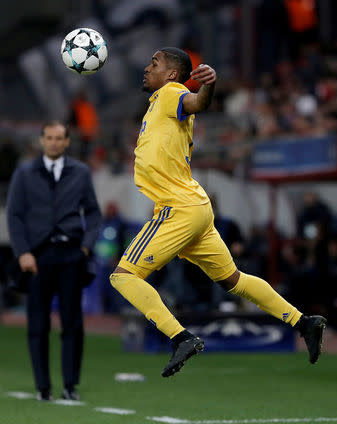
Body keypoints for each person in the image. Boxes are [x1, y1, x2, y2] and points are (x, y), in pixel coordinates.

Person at [109, 47, 326, 378]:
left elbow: (197, 102)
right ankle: (303, 322)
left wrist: (207, 86)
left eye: (154, 63)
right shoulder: (159, 103)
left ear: (170, 74)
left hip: (177, 207)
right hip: (195, 207)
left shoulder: (172, 92)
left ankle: (180, 337)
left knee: (123, 276)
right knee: (233, 280)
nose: (146, 68)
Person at [7, 121, 101, 400]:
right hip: (37, 257)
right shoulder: (24, 173)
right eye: (49, 138)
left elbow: (94, 214)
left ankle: (70, 386)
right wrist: (23, 251)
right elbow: (14, 215)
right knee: (38, 323)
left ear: (68, 142)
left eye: (60, 138)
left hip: (72, 254)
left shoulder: (81, 173)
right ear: (41, 140)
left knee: (72, 322)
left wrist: (85, 247)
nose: (54, 142)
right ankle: (42, 387)